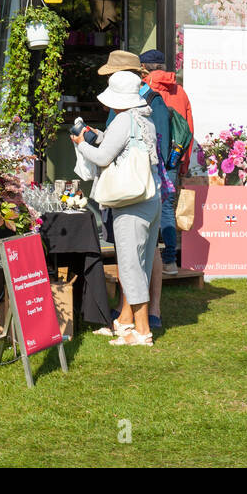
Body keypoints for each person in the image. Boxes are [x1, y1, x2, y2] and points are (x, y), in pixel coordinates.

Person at [75, 69, 162, 346]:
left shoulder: (124, 119)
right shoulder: (143, 117)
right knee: (143, 263)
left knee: (129, 266)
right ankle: (126, 321)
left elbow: (102, 157)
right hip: (150, 196)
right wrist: (97, 135)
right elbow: (122, 145)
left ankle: (142, 330)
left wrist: (80, 143)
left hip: (131, 202)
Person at [96, 50, 170, 329]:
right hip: (139, 190)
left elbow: (153, 150)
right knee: (132, 255)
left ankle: (147, 320)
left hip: (140, 190)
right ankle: (128, 317)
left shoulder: (147, 105)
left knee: (139, 257)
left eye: (113, 76)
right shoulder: (136, 109)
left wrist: (88, 145)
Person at [141, 49, 194, 276]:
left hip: (147, 157)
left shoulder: (142, 89)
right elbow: (188, 130)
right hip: (172, 158)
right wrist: (184, 162)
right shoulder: (179, 91)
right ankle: (170, 261)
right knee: (167, 210)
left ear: (144, 67)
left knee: (143, 206)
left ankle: (147, 259)